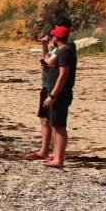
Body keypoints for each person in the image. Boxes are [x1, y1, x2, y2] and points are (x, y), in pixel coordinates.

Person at [36, 25, 77, 168]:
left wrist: (53, 95)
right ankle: (56, 156)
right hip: (55, 91)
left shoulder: (65, 51)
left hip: (60, 93)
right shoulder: (61, 50)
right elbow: (47, 61)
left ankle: (59, 159)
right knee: (55, 124)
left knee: (59, 126)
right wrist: (44, 46)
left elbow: (63, 75)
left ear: (57, 37)